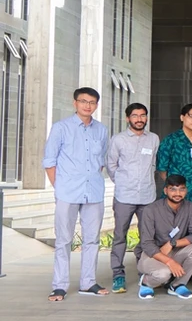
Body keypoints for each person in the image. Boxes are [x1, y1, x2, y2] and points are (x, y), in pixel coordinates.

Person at [43, 87, 110, 301]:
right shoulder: (61, 128)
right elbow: (49, 162)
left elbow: (100, 162)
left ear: (96, 105)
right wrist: (60, 187)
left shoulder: (101, 130)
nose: (87, 105)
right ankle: (60, 285)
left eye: (92, 102)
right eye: (83, 101)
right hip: (67, 193)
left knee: (92, 240)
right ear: (75, 103)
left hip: (94, 193)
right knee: (63, 240)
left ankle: (88, 282)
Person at [106, 102, 160, 294]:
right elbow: (111, 165)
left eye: (143, 115)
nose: (139, 119)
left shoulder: (153, 139)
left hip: (147, 195)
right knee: (120, 235)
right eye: (135, 115)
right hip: (124, 195)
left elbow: (153, 164)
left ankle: (143, 270)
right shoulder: (118, 139)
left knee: (147, 237)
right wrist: (122, 182)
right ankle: (118, 274)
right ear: (128, 118)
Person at [157, 103, 192, 282]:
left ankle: (191, 270)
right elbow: (162, 170)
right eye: (191, 116)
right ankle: (171, 270)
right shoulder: (171, 140)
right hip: (177, 198)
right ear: (182, 117)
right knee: (175, 234)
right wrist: (175, 188)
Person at [136, 174, 192, 300]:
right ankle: (146, 282)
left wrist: (173, 243)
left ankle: (177, 285)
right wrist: (170, 262)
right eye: (173, 189)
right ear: (165, 190)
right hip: (153, 254)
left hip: (175, 250)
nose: (177, 193)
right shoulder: (151, 210)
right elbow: (146, 243)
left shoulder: (190, 207)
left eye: (181, 189)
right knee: (164, 274)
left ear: (186, 190)